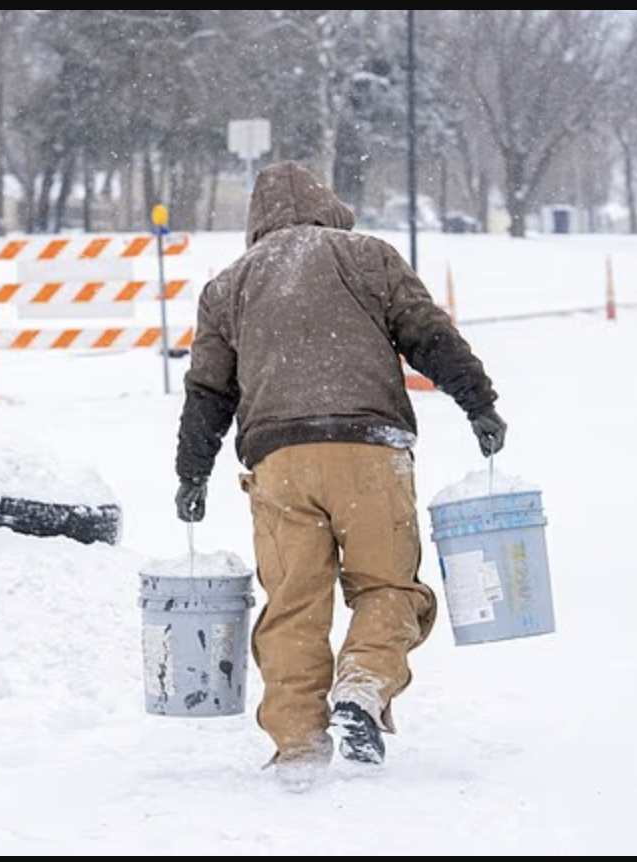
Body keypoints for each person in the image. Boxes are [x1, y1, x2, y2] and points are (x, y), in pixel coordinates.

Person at [173, 160, 505, 786]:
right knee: (388, 588)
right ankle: (362, 685)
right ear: (330, 206)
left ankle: (297, 742)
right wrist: (479, 403)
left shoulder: (227, 285)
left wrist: (191, 473)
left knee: (294, 604)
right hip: (369, 451)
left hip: (278, 465)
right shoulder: (368, 257)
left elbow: (208, 392)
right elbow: (430, 336)